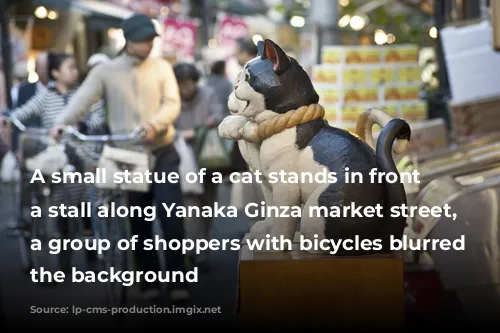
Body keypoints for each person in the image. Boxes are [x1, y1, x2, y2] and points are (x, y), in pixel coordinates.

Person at [49, 14, 188, 302]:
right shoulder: (106, 72)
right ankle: (148, 279)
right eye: (143, 40)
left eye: (152, 39)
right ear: (128, 40)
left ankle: (177, 280)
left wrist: (154, 125)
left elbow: (172, 104)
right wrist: (61, 123)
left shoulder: (162, 67)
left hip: (162, 149)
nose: (149, 44)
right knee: (137, 222)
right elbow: (81, 100)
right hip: (124, 154)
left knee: (171, 215)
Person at [1, 52, 105, 270]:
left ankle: (91, 251)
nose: (75, 71)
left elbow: (98, 118)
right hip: (56, 159)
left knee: (86, 206)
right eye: (70, 67)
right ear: (55, 73)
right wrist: (8, 117)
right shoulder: (45, 96)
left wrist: (82, 127)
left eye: (76, 67)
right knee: (58, 209)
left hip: (83, 159)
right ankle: (57, 258)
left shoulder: (85, 94)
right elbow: (23, 113)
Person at [173, 62, 224, 269]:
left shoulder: (208, 93)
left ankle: (200, 244)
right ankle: (197, 252)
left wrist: (211, 121)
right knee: (191, 206)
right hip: (183, 160)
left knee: (207, 207)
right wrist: (181, 135)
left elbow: (221, 115)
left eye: (190, 83)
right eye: (183, 84)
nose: (187, 88)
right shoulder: (171, 99)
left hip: (209, 158)